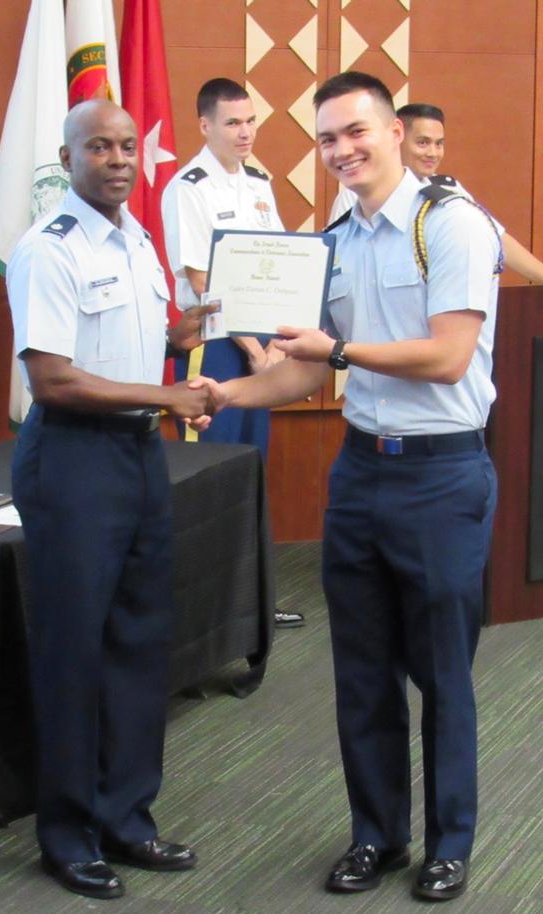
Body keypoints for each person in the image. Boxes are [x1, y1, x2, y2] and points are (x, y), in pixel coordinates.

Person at [192, 71, 501, 902]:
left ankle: (450, 842)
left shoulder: (455, 227)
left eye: (356, 132)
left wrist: (338, 352)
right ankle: (378, 836)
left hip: (442, 475)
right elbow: (299, 371)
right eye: (327, 139)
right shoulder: (331, 239)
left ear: (396, 131)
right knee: (360, 671)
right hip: (360, 470)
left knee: (442, 673)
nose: (342, 151)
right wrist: (226, 394)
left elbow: (446, 357)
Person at [7, 99, 215, 901]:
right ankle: (66, 834)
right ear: (70, 158)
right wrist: (166, 394)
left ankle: (128, 818)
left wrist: (175, 335)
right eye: (101, 146)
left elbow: (119, 345)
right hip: (72, 462)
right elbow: (54, 379)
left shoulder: (136, 238)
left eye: (129, 145)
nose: (121, 158)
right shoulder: (47, 249)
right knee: (73, 651)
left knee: (138, 642)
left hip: (135, 455)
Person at [162, 77, 304, 628]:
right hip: (215, 349)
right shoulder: (188, 188)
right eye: (232, 123)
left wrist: (273, 346)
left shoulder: (260, 181)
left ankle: (249, 602)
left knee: (249, 471)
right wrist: (253, 346)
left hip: (260, 351)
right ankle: (201, 616)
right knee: (206, 477)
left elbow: (280, 263)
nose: (245, 133)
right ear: (204, 126)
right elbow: (201, 279)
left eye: (250, 121)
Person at [328, 101, 543, 284]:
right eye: (422, 143)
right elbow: (338, 264)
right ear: (397, 138)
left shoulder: (447, 189)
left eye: (439, 144)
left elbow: (498, 239)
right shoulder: (357, 194)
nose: (432, 153)